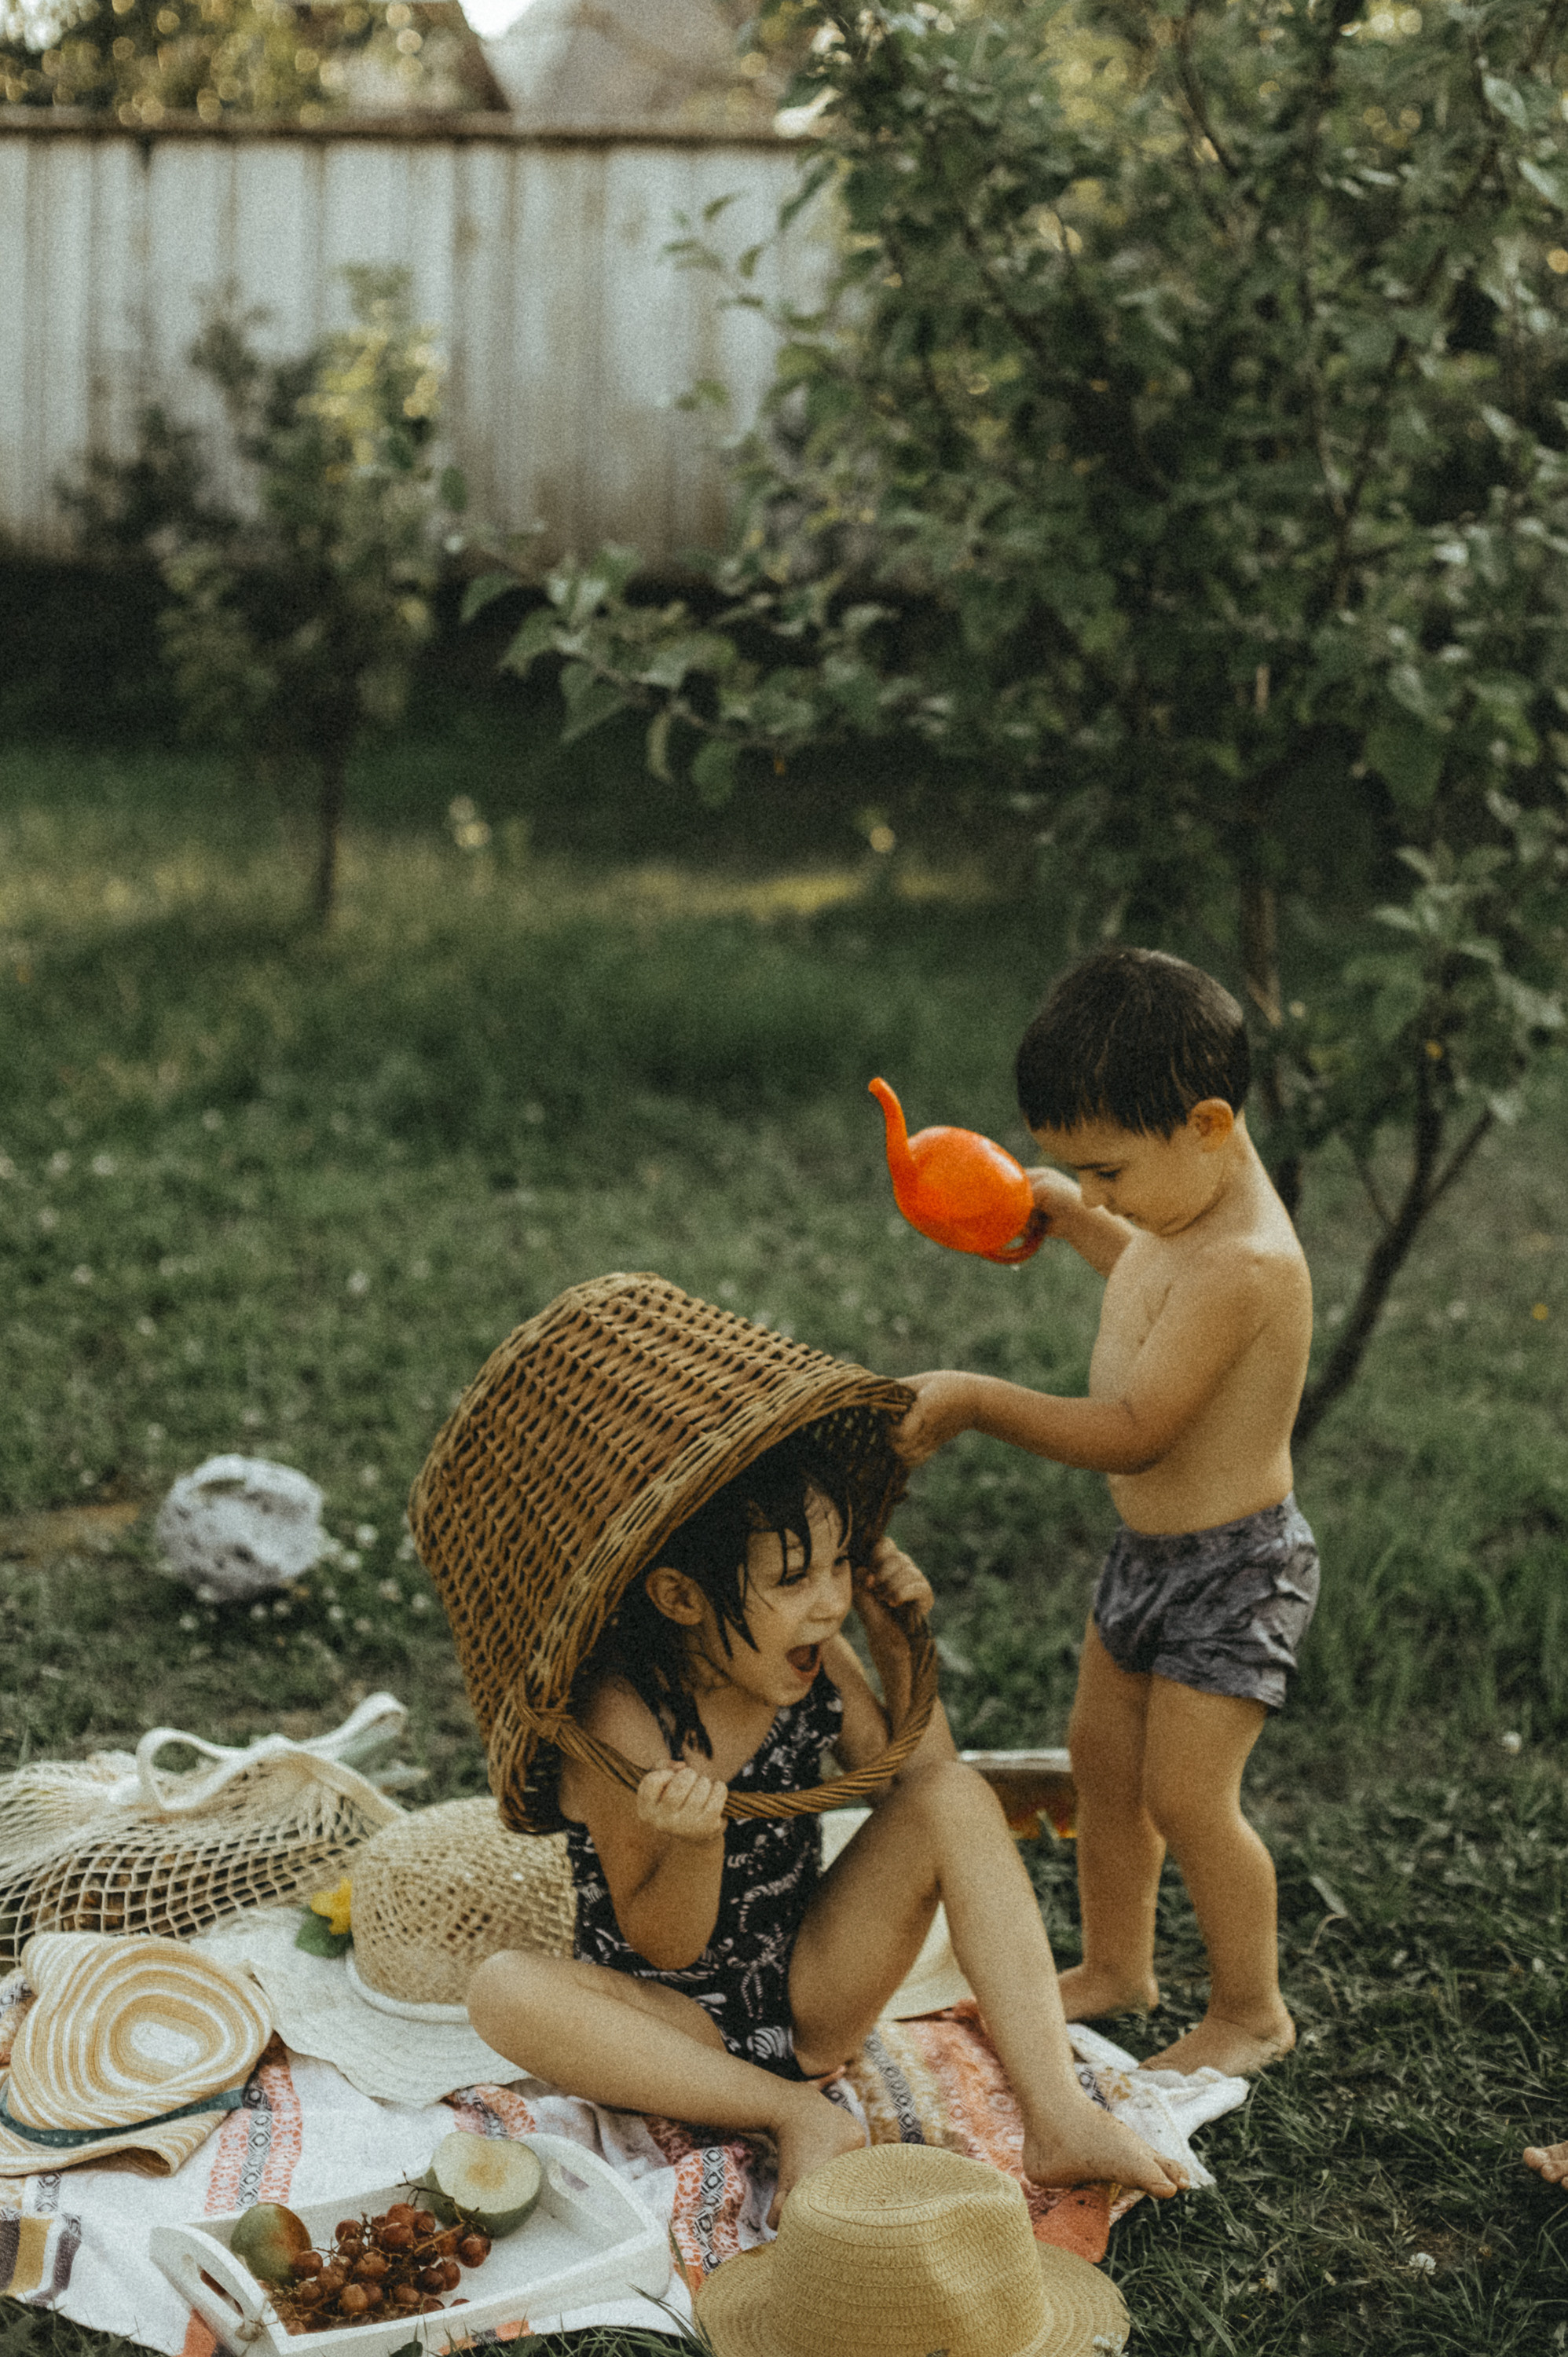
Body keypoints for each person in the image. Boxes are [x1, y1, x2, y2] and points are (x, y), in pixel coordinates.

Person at [466, 1422, 1185, 2223]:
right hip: (672, 2034)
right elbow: (662, 1943)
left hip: (809, 1998)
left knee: (957, 1796)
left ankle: (1057, 2116)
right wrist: (696, 1845)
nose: (830, 1600)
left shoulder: (812, 1659)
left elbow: (921, 1785)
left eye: (840, 1564)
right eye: (794, 1578)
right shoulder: (623, 1719)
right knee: (503, 1990)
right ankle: (794, 2113)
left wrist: (896, 1642)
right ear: (679, 1596)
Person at [896, 946, 1317, 2078]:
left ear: (1210, 1123)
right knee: (1103, 1765)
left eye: (1106, 1172)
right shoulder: (1188, 1216)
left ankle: (1250, 2011)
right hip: (1151, 1553)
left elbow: (1137, 1428)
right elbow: (1149, 1272)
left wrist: (980, 1400)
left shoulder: (1248, 1267)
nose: (1091, 1190)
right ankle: (1120, 1967)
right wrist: (1081, 1223)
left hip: (1235, 1568)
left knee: (1188, 1795)